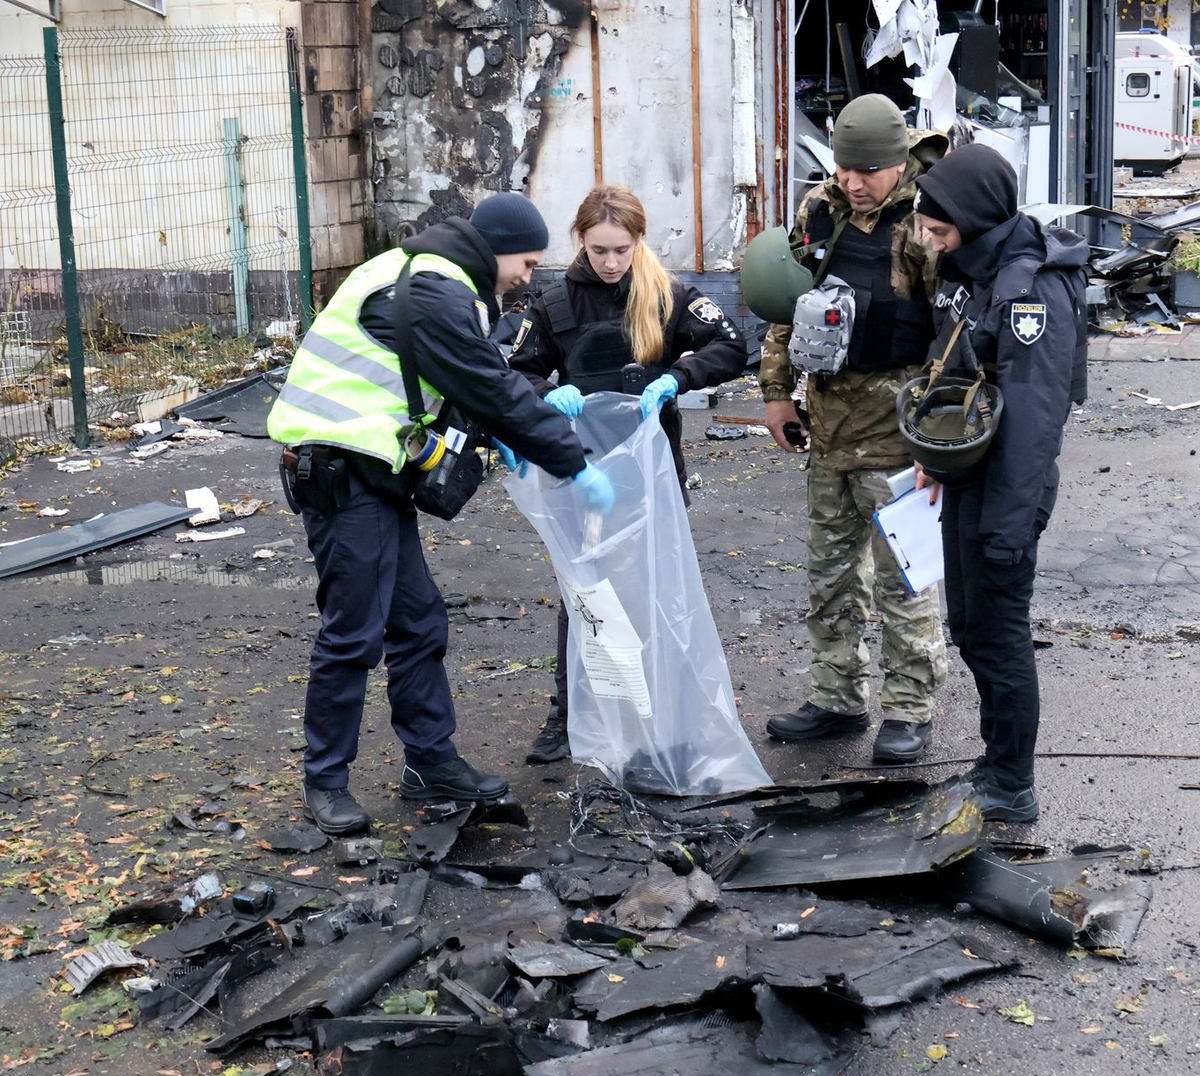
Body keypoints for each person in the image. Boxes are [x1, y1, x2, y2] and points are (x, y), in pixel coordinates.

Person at [268, 193, 615, 835]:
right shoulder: (435, 288)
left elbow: (446, 382)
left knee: (418, 622)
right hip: (342, 472)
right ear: (499, 248)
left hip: (372, 474)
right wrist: (571, 462)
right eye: (528, 262)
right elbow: (489, 383)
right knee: (353, 633)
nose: (528, 278)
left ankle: (430, 764)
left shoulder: (428, 272)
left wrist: (492, 432)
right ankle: (325, 782)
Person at [508, 184, 748, 763]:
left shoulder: (667, 295)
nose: (612, 262)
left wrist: (680, 376)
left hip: (653, 470)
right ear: (580, 243)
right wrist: (549, 392)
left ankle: (664, 711)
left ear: (638, 242)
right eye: (599, 251)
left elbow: (732, 343)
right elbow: (512, 371)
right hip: (585, 474)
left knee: (658, 591)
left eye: (622, 249)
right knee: (584, 595)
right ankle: (570, 714)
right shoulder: (554, 304)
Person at [753, 94, 948, 764]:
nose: (853, 180)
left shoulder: (929, 223)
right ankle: (837, 696)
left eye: (867, 169)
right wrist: (778, 394)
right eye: (844, 166)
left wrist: (942, 441)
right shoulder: (819, 209)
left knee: (908, 578)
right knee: (831, 573)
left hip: (902, 433)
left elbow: (953, 336)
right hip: (830, 427)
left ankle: (909, 709)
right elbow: (788, 304)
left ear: (898, 162)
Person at [909, 143, 1088, 823]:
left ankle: (1013, 783)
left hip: (1008, 489)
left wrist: (1009, 530)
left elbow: (1035, 422)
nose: (930, 238)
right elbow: (950, 361)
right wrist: (936, 450)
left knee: (999, 630)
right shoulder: (970, 266)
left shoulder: (1029, 289)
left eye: (939, 226)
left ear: (977, 216)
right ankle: (994, 761)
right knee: (971, 627)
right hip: (971, 475)